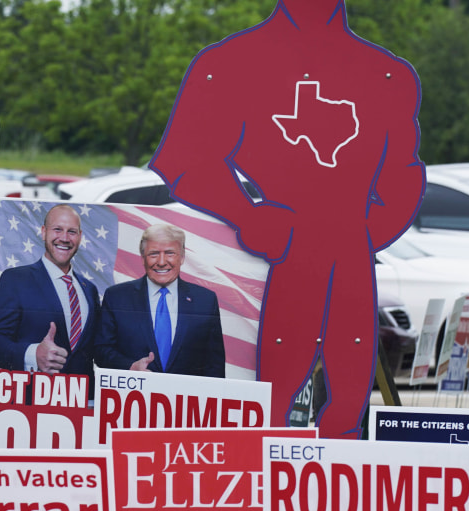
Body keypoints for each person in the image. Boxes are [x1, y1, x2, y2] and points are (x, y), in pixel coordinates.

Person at [150, 0, 425, 438]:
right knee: (270, 411)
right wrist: (246, 214)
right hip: (281, 263)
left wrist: (366, 232)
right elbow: (184, 163)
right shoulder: (230, 63)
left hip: (351, 268)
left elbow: (404, 171)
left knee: (346, 414)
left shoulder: (387, 74)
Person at [0, 204, 101, 383]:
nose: (64, 238)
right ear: (43, 232)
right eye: (57, 229)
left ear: (79, 237)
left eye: (72, 231)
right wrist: (33, 355)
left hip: (82, 402)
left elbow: (95, 350)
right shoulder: (16, 279)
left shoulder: (89, 290)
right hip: (33, 400)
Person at [96, 224, 225, 377]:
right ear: (143, 257)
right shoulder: (116, 297)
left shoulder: (206, 301)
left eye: (170, 253)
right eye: (154, 254)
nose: (162, 262)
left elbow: (214, 365)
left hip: (186, 398)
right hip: (134, 396)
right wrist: (130, 367)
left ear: (182, 257)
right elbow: (101, 351)